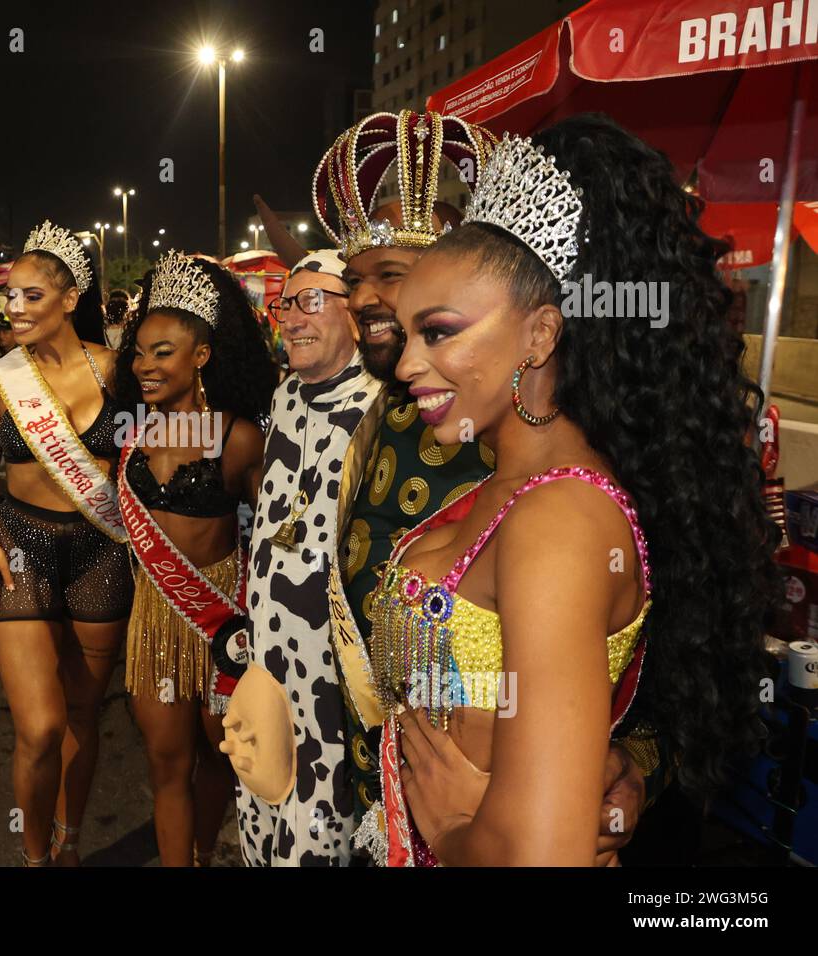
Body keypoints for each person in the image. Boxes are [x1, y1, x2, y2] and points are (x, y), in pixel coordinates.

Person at [357, 115, 778, 865]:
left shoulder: (559, 517)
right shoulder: (509, 483)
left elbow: (541, 856)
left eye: (440, 331)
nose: (407, 363)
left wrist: (453, 833)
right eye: (407, 333)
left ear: (541, 336)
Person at [0, 220, 129, 866]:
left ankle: (70, 842)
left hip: (99, 552)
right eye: (10, 296)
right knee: (39, 727)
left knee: (84, 717)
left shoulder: (118, 369)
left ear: (70, 298)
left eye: (32, 296)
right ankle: (35, 857)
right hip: (20, 548)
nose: (15, 309)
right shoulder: (0, 379)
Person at [219, 250, 383, 866]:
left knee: (318, 834)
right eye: (287, 303)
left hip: (333, 680)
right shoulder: (284, 396)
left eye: (312, 301)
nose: (292, 318)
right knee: (261, 804)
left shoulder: (383, 405)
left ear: (354, 313)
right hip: (270, 658)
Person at [113, 252, 274, 866]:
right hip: (153, 617)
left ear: (201, 355)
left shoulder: (237, 437)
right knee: (166, 764)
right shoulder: (131, 435)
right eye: (140, 351)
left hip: (221, 620)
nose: (144, 366)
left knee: (225, 758)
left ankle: (204, 851)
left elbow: (271, 538)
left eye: (163, 353)